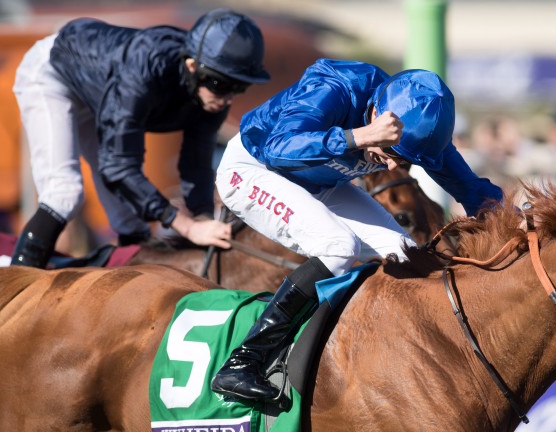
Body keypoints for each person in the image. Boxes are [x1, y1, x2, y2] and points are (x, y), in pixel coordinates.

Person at [210, 59, 503, 401]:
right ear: (379, 114)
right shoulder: (336, 86)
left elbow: (471, 189)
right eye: (392, 150)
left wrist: (514, 219)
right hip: (253, 169)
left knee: (403, 251)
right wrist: (359, 137)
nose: (394, 165)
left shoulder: (420, 127)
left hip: (320, 181)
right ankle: (244, 363)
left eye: (404, 159)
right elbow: (279, 147)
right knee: (338, 245)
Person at [10, 8, 270, 268]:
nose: (228, 98)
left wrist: (202, 219)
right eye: (219, 84)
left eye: (238, 86)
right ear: (192, 67)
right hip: (53, 75)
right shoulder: (143, 71)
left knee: (130, 219)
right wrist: (187, 227)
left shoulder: (209, 92)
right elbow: (119, 167)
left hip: (101, 94)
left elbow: (196, 164)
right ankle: (13, 288)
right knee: (63, 194)